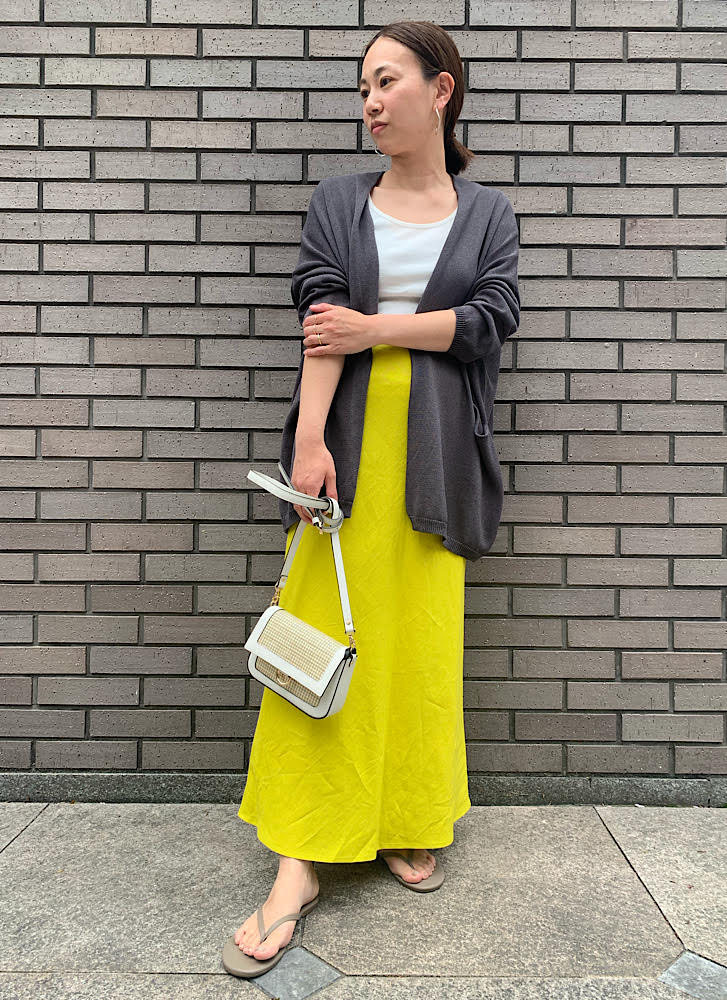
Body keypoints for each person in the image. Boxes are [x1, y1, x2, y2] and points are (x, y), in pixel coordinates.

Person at [223, 20, 520, 979]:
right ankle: (298, 859)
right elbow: (321, 320)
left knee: (417, 645)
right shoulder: (339, 201)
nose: (371, 103)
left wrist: (376, 328)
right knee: (316, 638)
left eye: (386, 81)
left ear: (442, 89)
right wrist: (310, 440)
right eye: (363, 88)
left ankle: (405, 814)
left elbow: (489, 321)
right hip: (345, 452)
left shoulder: (486, 213)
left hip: (437, 460)